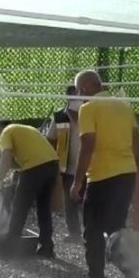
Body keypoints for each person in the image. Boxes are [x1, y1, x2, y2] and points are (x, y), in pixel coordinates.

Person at [69, 69, 139, 278]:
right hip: (126, 173)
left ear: (84, 89)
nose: (79, 95)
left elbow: (87, 145)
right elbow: (136, 139)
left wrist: (77, 182)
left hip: (101, 177)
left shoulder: (89, 108)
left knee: (92, 231)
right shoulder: (124, 105)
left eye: (79, 91)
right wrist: (129, 164)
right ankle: (132, 273)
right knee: (116, 229)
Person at [0, 121, 60, 257]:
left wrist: (0, 181)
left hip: (35, 167)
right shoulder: (26, 129)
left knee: (20, 206)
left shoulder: (6, 132)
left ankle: (10, 248)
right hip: (53, 164)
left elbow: (6, 157)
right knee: (43, 207)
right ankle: (47, 247)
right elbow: (23, 156)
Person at [43, 85, 82, 240]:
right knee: (69, 202)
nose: (75, 100)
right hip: (67, 167)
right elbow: (50, 140)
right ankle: (75, 233)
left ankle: (92, 233)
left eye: (78, 96)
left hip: (89, 166)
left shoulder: (91, 113)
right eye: (72, 96)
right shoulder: (60, 117)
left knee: (90, 202)